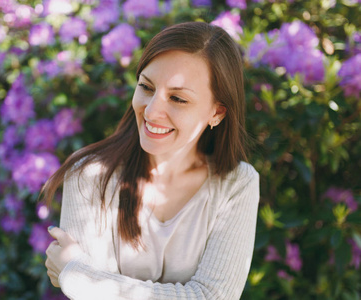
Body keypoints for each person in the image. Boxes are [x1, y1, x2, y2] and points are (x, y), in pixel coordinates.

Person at [43, 22, 260, 300]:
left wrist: (78, 277)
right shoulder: (90, 175)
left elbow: (212, 296)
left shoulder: (236, 184)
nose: (152, 110)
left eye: (178, 98)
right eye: (146, 86)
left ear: (217, 113)